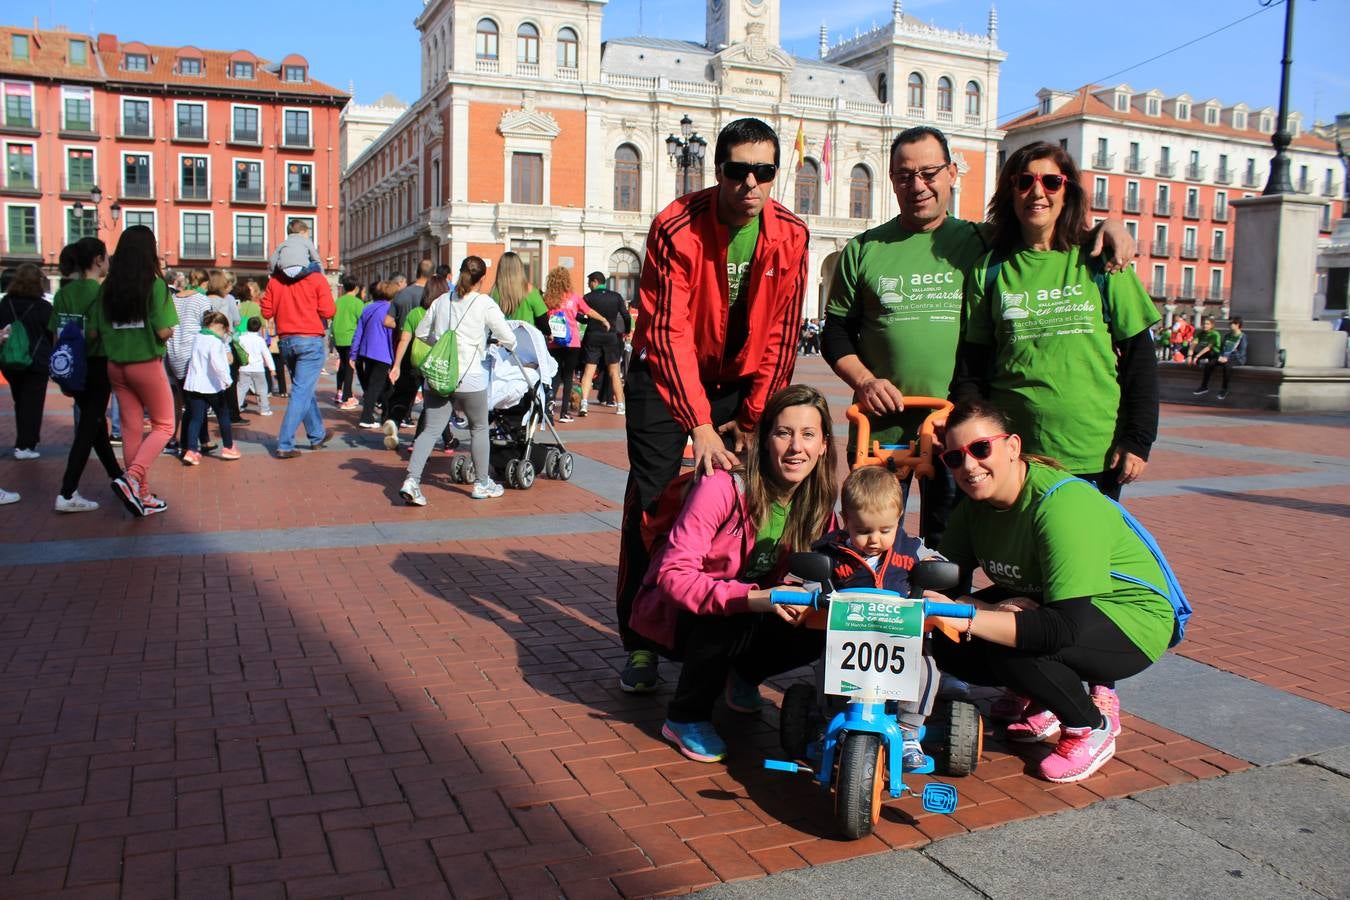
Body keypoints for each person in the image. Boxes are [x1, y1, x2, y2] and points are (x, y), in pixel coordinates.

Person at [824, 126, 1135, 545]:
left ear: (953, 173)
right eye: (904, 175)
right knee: (869, 540)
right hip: (882, 435)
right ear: (892, 179)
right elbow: (835, 332)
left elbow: (1046, 232)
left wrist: (1109, 227)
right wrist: (865, 381)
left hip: (958, 433)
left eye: (930, 172)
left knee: (949, 546)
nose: (918, 185)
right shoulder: (864, 249)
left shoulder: (985, 242)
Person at [618, 117, 810, 694]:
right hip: (664, 375)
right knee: (654, 505)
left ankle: (728, 637)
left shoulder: (792, 236)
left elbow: (781, 334)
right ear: (717, 170)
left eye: (764, 172)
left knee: (745, 500)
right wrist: (700, 426)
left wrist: (752, 420)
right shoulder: (675, 227)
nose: (750, 183)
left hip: (741, 378)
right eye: (738, 170)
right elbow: (667, 330)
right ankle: (644, 640)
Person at [928, 399, 1179, 783]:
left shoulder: (1062, 505)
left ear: (1012, 446)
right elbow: (942, 580)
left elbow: (1060, 629)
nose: (969, 466)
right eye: (954, 458)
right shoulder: (973, 510)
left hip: (1131, 618)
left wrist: (973, 614)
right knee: (949, 641)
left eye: (981, 449)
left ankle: (1090, 726)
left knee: (1011, 648)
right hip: (1056, 604)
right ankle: (1041, 697)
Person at [628, 384, 837, 762]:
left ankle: (741, 676)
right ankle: (685, 716)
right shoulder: (722, 486)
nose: (796, 448)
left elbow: (836, 567)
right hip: (680, 616)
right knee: (725, 615)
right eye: (783, 433)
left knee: (819, 623)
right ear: (764, 438)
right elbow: (674, 575)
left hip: (753, 608)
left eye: (808, 435)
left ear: (824, 445)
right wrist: (752, 598)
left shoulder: (819, 503)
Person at [952, 140, 1160, 502]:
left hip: (1094, 455)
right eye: (1024, 181)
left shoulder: (1102, 261)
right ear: (1010, 192)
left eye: (1051, 182)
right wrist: (976, 442)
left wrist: (1138, 440)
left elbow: (1140, 359)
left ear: (1068, 191)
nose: (1037, 192)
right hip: (1015, 457)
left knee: (1084, 557)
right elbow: (972, 368)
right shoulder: (991, 269)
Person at [815, 465, 942, 769]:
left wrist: (933, 576)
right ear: (846, 521)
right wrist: (813, 590)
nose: (874, 539)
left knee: (926, 667)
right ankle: (833, 718)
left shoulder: (909, 549)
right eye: (863, 531)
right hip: (850, 636)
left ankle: (909, 730)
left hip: (902, 638)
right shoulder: (832, 551)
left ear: (898, 518)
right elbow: (809, 572)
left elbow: (937, 563)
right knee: (825, 665)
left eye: (885, 530)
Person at [399, 256, 516, 506]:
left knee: (431, 429)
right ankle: (481, 483)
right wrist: (494, 343)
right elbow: (509, 337)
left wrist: (441, 346)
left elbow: (421, 333)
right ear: (482, 279)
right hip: (470, 376)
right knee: (479, 428)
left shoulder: (442, 301)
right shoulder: (484, 303)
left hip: (439, 375)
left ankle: (412, 480)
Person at [88, 225, 178, 516]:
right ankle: (132, 478)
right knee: (165, 425)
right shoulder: (154, 284)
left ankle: (141, 494)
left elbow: (92, 334)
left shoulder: (107, 287)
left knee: (131, 430)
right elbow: (164, 331)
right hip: (146, 364)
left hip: (116, 365)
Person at [50, 238, 125, 512]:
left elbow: (56, 334)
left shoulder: (63, 293)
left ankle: (118, 478)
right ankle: (67, 492)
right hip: (97, 364)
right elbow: (107, 332)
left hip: (72, 365)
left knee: (95, 427)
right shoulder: (103, 293)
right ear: (97, 259)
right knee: (88, 428)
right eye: (106, 257)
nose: (108, 262)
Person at [261, 269, 335, 458]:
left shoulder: (275, 281)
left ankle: (317, 435)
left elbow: (266, 311)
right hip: (310, 338)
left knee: (303, 389)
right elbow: (328, 311)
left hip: (286, 340)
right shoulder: (316, 278)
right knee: (301, 391)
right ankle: (285, 444)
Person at [0, 263, 53, 460]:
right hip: (36, 361)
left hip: (11, 359)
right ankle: (25, 445)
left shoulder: (6, 303)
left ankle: (24, 441)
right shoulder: (43, 307)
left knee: (20, 401)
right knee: (33, 403)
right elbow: (51, 333)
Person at [542, 265, 607, 423]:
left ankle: (548, 411)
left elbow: (541, 316)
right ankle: (564, 413)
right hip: (572, 343)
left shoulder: (547, 299)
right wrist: (604, 320)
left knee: (555, 376)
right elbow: (589, 311)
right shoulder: (574, 297)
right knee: (569, 377)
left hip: (553, 342)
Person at [181, 310, 240, 465]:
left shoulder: (198, 337)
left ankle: (191, 450)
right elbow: (218, 364)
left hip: (193, 385)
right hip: (212, 386)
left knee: (196, 418)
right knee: (223, 416)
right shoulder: (215, 342)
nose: (224, 334)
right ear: (219, 326)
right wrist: (228, 380)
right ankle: (228, 447)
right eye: (224, 330)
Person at [164, 275, 213, 456]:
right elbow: (208, 327)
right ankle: (187, 446)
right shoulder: (202, 300)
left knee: (194, 400)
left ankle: (204, 440)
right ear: (204, 283)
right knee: (195, 404)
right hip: (193, 355)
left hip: (175, 354)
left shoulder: (173, 299)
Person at [382, 261, 432, 434]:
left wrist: (402, 326)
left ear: (416, 271)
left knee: (403, 392)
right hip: (428, 351)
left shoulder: (402, 294)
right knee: (431, 397)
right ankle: (420, 438)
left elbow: (387, 321)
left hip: (405, 348)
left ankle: (394, 420)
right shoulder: (433, 296)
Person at [576, 271, 630, 417]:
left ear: (595, 282)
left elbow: (578, 315)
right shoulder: (616, 296)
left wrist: (589, 321)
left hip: (592, 336)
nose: (588, 286)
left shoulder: (588, 297)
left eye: (589, 283)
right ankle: (620, 405)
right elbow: (626, 315)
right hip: (611, 337)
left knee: (588, 371)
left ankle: (584, 404)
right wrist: (626, 330)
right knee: (614, 372)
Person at [351, 281, 396, 430]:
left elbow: (358, 333)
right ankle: (366, 417)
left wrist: (354, 353)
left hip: (367, 351)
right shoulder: (390, 310)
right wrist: (394, 358)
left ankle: (385, 414)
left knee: (379, 385)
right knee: (377, 387)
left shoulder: (368, 308)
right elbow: (391, 335)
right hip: (382, 353)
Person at [204, 271, 245, 425]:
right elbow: (235, 320)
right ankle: (232, 414)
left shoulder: (204, 298)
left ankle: (209, 407)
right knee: (229, 379)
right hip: (224, 342)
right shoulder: (227, 300)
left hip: (206, 341)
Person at [1193, 316, 1247, 401]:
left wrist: (1227, 358)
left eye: (1232, 323)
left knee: (1226, 367)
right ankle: (1204, 386)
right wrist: (1220, 356)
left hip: (1236, 359)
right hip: (1223, 357)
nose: (1230, 325)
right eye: (1230, 323)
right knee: (1210, 364)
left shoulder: (1242, 337)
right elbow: (1222, 348)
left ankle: (1224, 389)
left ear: (1238, 325)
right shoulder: (1227, 336)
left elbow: (1241, 353)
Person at [490, 252, 548, 329]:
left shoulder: (494, 292)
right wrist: (549, 333)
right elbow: (542, 320)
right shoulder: (530, 291)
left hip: (503, 338)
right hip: (526, 337)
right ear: (520, 268)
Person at [332, 277, 364, 408]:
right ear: (356, 288)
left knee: (343, 365)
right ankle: (348, 396)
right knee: (350, 366)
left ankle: (339, 391)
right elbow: (362, 320)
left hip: (338, 338)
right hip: (350, 337)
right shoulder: (357, 303)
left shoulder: (338, 301)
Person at [236, 317, 275, 417]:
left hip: (244, 368)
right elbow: (266, 354)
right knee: (262, 389)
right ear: (259, 328)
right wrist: (272, 368)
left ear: (247, 326)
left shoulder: (241, 338)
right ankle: (264, 409)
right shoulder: (260, 340)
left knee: (241, 389)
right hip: (258, 369)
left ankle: (237, 407)